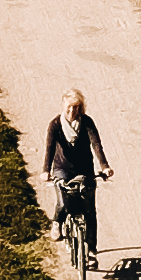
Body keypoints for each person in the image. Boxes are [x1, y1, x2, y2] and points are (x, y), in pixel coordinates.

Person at [42, 90, 108, 253]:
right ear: (63, 107)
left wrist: (104, 166)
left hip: (85, 169)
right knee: (64, 201)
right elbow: (49, 149)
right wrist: (46, 171)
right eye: (69, 108)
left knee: (89, 210)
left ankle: (92, 250)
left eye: (76, 107)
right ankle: (57, 222)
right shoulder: (55, 125)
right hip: (62, 168)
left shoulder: (86, 122)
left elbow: (96, 144)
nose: (72, 111)